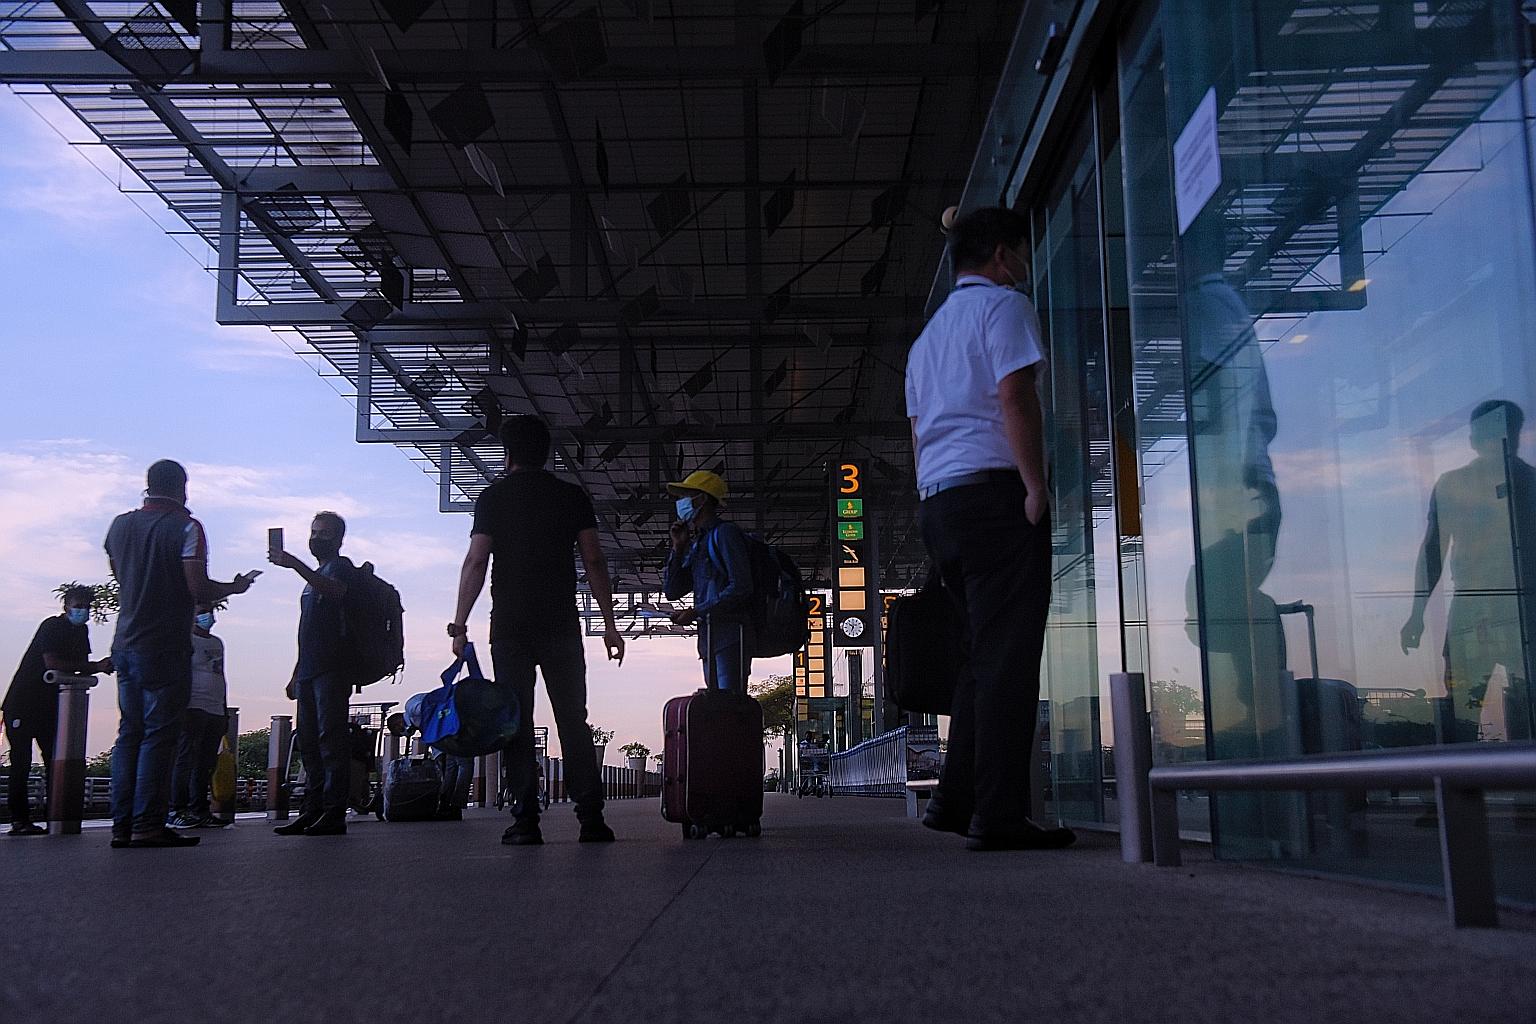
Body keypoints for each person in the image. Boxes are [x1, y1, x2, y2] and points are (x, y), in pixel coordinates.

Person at [904, 206, 1074, 852]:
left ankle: (955, 799)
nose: (1025, 265)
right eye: (1021, 252)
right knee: (1009, 660)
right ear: (1002, 255)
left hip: (940, 504)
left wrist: (932, 501)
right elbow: (1015, 395)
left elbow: (919, 434)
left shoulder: (926, 342)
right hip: (995, 498)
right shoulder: (1004, 307)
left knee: (979, 657)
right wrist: (1035, 487)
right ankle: (998, 814)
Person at [450, 415, 626, 847]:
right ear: (546, 453)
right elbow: (594, 560)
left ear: (507, 453)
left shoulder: (492, 498)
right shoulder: (572, 496)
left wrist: (460, 624)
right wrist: (609, 625)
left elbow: (476, 561)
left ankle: (526, 821)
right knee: (573, 719)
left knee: (517, 721)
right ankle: (592, 820)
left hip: (510, 628)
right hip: (561, 625)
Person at [105, 459, 256, 848]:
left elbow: (121, 574)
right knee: (159, 735)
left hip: (125, 643)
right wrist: (233, 588)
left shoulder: (119, 526)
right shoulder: (188, 528)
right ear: (182, 487)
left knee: (129, 733)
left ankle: (122, 824)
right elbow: (198, 588)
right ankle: (148, 825)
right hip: (165, 645)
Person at [1402, 400, 1536, 743]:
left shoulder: (1460, 483)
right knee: (1468, 708)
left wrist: (1417, 614)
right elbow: (1433, 552)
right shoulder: (1463, 484)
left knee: (1466, 709)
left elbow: (1432, 551)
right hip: (1493, 610)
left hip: (1496, 611)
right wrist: (1416, 613)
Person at [269, 512, 356, 837]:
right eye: (314, 532)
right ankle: (311, 810)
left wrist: (294, 564)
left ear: (338, 539)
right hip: (309, 671)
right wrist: (296, 673)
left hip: (332, 669)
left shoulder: (341, 567)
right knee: (308, 744)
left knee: (331, 742)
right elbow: (307, 632)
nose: (316, 539)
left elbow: (337, 591)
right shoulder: (314, 577)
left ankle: (333, 813)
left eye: (324, 534)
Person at [3, 586, 113, 836]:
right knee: (21, 761)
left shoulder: (81, 631)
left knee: (54, 759)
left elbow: (82, 665)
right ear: (66, 606)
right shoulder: (51, 626)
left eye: (87, 606)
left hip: (51, 705)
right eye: (78, 605)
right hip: (23, 702)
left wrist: (97, 666)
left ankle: (56, 814)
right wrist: (94, 666)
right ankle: (19, 820)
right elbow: (52, 663)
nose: (83, 611)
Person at [662, 470, 754, 692]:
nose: (681, 503)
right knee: (717, 704)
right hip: (710, 637)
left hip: (732, 635)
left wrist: (697, 611)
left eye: (686, 496)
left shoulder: (725, 534)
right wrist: (678, 548)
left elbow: (741, 586)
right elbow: (672, 591)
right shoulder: (698, 543)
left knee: (729, 702)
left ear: (701, 499)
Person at [167, 604, 228, 829]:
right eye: (202, 612)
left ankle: (200, 809)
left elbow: (220, 674)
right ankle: (177, 808)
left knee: (206, 762)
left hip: (215, 708)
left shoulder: (217, 643)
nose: (207, 616)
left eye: (210, 611)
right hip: (193, 706)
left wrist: (224, 708)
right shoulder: (185, 641)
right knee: (185, 759)